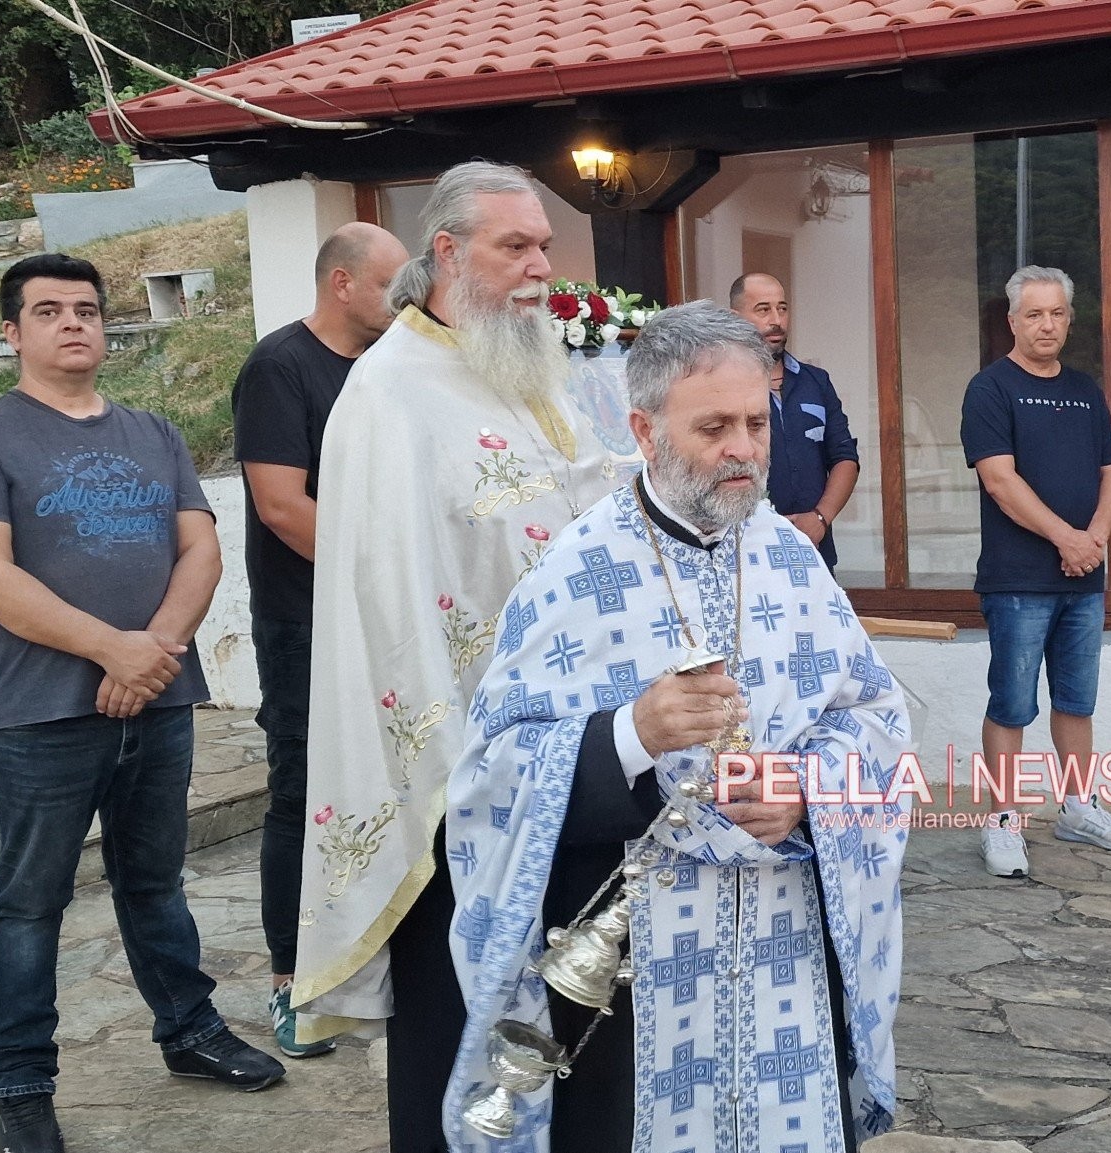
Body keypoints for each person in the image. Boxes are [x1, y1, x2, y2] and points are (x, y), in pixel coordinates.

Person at [440, 302, 906, 1152]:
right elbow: (490, 772)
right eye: (715, 425)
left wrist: (807, 789)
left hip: (782, 947)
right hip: (636, 967)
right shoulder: (575, 573)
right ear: (646, 429)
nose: (744, 447)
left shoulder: (793, 559)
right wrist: (629, 733)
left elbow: (872, 716)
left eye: (757, 422)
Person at [290, 161, 633, 1152]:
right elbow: (390, 597)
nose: (539, 267)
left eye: (543, 246)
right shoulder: (388, 390)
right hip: (459, 768)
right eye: (513, 246)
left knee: (573, 1025)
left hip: (572, 753)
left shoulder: (522, 364)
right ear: (446, 252)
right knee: (458, 1024)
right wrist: (461, 754)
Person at [0, 254, 284, 1153]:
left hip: (156, 703)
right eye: (48, 311)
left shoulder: (154, 433)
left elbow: (199, 552)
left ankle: (190, 1031)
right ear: (13, 333)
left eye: (86, 309)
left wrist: (150, 654)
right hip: (42, 713)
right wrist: (113, 649)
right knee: (27, 900)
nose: (73, 323)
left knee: (155, 881)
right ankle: (19, 1082)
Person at [232, 221, 408, 1059]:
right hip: (306, 620)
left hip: (383, 617)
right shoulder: (280, 366)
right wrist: (372, 576)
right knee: (302, 793)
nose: (402, 300)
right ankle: (286, 984)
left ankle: (367, 961)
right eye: (387, 284)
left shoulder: (388, 368)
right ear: (341, 283)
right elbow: (280, 504)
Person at [960, 265, 1111, 879]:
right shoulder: (989, 389)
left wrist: (1093, 540)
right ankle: (1005, 819)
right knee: (1011, 702)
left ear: (1069, 318)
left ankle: (1079, 806)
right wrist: (1066, 537)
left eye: (1057, 313)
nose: (1047, 325)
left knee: (1076, 700)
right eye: (1033, 314)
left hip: (1083, 577)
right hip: (1017, 580)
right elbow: (1000, 480)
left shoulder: (1086, 390)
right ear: (1012, 321)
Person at [728, 271, 859, 570]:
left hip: (813, 548)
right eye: (763, 309)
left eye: (782, 308)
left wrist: (821, 518)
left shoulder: (816, 381)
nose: (776, 319)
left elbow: (845, 458)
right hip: (747, 552)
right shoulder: (724, 386)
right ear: (735, 318)